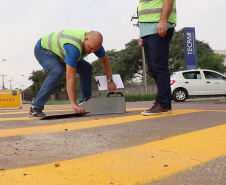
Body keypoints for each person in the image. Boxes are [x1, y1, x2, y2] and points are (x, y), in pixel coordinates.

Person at [29, 29, 117, 118]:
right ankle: (36, 108)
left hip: (61, 53)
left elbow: (105, 60)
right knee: (56, 72)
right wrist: (73, 103)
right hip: (44, 50)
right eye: (90, 48)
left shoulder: (95, 44)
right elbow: (70, 76)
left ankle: (85, 101)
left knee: (87, 68)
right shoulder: (73, 47)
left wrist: (110, 81)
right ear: (85, 39)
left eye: (94, 50)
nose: (91, 51)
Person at [137, 0, 176, 116]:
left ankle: (164, 104)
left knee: (159, 67)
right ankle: (161, 102)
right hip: (148, 31)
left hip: (158, 28)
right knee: (153, 68)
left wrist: (163, 20)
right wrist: (142, 35)